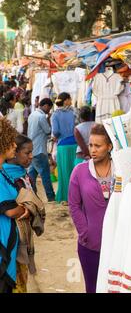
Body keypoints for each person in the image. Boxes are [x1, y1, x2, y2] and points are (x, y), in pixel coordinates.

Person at [68, 124, 114, 293]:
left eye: (98, 146)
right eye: (91, 145)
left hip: (117, 242)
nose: (93, 150)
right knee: (93, 288)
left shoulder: (121, 170)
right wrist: (84, 231)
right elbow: (74, 205)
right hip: (90, 245)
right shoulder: (79, 171)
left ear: (109, 147)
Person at [3, 134, 38, 293]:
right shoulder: (7, 176)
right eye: (27, 152)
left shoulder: (24, 175)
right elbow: (12, 210)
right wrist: (27, 209)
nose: (31, 156)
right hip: (11, 240)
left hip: (22, 236)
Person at [0, 118, 29, 293]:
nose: (14, 146)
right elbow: (11, 210)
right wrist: (25, 208)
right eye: (10, 141)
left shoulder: (3, 172)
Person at [27, 98, 56, 202]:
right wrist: (49, 118)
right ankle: (51, 197)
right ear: (45, 106)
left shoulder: (32, 115)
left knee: (32, 176)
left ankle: (32, 197)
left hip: (31, 150)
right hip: (39, 150)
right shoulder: (41, 116)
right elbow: (48, 131)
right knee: (45, 176)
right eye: (49, 108)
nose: (49, 110)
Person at [51, 92, 77, 204]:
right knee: (74, 171)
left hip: (63, 146)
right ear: (65, 100)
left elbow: (55, 131)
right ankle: (76, 196)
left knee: (64, 172)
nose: (71, 101)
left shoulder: (55, 114)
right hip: (75, 144)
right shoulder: (74, 112)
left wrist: (55, 137)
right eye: (69, 99)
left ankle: (66, 198)